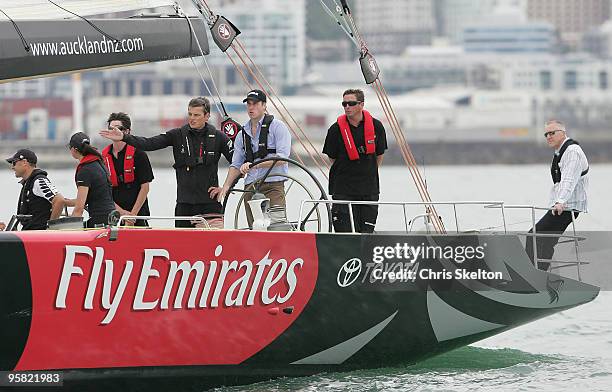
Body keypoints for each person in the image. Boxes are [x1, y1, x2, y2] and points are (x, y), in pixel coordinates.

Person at [99, 97, 233, 228]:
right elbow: (149, 143)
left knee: (211, 245)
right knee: (182, 248)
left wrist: (226, 187)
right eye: (190, 114)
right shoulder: (177, 135)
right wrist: (124, 137)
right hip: (184, 206)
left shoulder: (218, 137)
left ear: (207, 116)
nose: (192, 118)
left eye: (197, 115)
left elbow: (237, 163)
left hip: (210, 205)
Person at [210, 89, 292, 227]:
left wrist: (255, 165)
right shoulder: (242, 134)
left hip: (273, 185)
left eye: (255, 103)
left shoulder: (278, 127)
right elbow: (236, 165)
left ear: (264, 105)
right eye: (248, 104)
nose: (251, 107)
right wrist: (226, 187)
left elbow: (283, 158)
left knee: (278, 227)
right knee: (255, 228)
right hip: (251, 188)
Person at [526, 119, 589, 270]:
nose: (548, 136)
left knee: (533, 236)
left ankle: (531, 276)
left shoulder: (572, 152)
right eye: (546, 134)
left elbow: (569, 179)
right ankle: (540, 276)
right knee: (545, 241)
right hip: (562, 206)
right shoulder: (561, 152)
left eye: (552, 133)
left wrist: (560, 201)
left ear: (563, 133)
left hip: (566, 207)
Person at [322, 88, 387, 233]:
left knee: (366, 234)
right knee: (345, 235)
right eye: (344, 104)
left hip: (368, 189)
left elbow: (380, 153)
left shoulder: (377, 126)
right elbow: (331, 156)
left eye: (351, 103)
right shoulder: (335, 129)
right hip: (343, 189)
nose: (347, 107)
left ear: (361, 104)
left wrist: (369, 171)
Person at [102, 112, 154, 226]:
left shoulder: (139, 154)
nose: (114, 131)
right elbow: (105, 191)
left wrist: (132, 215)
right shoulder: (104, 157)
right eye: (111, 128)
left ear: (127, 131)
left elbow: (145, 187)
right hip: (115, 214)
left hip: (138, 213)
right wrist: (121, 212)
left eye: (118, 128)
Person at [0, 149, 64, 231]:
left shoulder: (38, 181)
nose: (12, 167)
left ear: (24, 162)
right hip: (30, 234)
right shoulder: (28, 182)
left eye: (14, 163)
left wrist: (51, 229)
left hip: (39, 237)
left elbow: (59, 200)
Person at [64, 132, 115, 228]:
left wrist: (69, 229)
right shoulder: (99, 163)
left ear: (74, 149)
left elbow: (79, 209)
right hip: (111, 218)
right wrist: (65, 202)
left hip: (99, 221)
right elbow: (93, 197)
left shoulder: (85, 170)